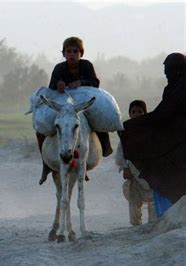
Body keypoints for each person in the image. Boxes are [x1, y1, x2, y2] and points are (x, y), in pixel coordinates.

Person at [38, 36, 112, 185]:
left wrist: (81, 82)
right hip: (63, 102)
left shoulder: (86, 65)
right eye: (68, 51)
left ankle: (104, 146)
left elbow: (95, 82)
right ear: (64, 53)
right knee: (43, 125)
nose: (72, 54)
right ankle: (45, 163)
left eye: (75, 51)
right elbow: (52, 85)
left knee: (96, 116)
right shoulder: (59, 68)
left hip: (82, 100)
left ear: (81, 53)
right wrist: (58, 84)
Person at [120, 53, 186, 210]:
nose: (165, 73)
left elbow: (167, 112)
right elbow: (163, 112)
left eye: (167, 68)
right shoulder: (171, 88)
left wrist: (137, 125)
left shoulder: (182, 87)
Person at [116, 100, 155, 225]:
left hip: (152, 175)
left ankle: (154, 225)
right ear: (130, 114)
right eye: (133, 112)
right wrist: (125, 168)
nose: (136, 114)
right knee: (133, 196)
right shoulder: (125, 132)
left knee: (155, 201)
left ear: (145, 113)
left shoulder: (151, 130)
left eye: (140, 111)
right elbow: (121, 151)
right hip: (134, 174)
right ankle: (136, 226)